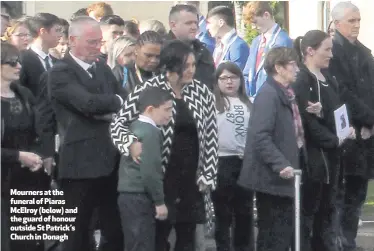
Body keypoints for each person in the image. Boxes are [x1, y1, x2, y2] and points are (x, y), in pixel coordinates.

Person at [110, 40, 218, 251]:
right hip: (161, 175)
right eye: (185, 66)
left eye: (193, 65)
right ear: (170, 66)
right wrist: (130, 144)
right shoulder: (149, 89)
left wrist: (209, 172)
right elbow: (118, 123)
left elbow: (212, 133)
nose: (191, 70)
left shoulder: (201, 91)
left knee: (187, 236)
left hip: (191, 177)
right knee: (159, 236)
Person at [47, 16, 125, 251]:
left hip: (111, 161)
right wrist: (113, 103)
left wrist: (111, 105)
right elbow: (87, 104)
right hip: (79, 165)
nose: (98, 48)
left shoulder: (101, 67)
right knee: (77, 231)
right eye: (92, 42)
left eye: (100, 42)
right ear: (72, 40)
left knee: (115, 227)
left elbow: (126, 97)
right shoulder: (60, 72)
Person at [292, 30, 356, 251]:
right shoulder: (302, 80)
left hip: (333, 157)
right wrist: (333, 139)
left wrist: (346, 129)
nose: (331, 55)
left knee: (328, 211)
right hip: (315, 158)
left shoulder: (328, 78)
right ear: (310, 51)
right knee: (311, 212)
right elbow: (307, 123)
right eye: (327, 49)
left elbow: (335, 111)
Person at [238, 47, 303, 251]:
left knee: (282, 233)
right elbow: (260, 135)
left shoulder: (286, 93)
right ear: (278, 68)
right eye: (292, 64)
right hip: (272, 179)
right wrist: (280, 164)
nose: (297, 69)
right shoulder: (268, 95)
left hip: (284, 177)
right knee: (274, 235)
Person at [328, 2, 374, 251]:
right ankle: (339, 242)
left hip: (367, 134)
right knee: (342, 193)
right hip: (347, 134)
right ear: (337, 24)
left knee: (358, 193)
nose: (357, 25)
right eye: (351, 20)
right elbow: (343, 93)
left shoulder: (364, 53)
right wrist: (368, 119)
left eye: (358, 20)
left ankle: (349, 241)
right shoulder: (333, 53)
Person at [1, 42, 44, 251]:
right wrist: (18, 156)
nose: (19, 66)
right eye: (12, 62)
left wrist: (37, 155)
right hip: (2, 182)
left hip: (27, 179)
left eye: (18, 61)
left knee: (29, 242)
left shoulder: (24, 94)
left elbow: (38, 132)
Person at [118, 87, 173, 251]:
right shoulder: (150, 132)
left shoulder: (134, 126)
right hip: (140, 196)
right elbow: (150, 171)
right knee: (142, 244)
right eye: (167, 110)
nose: (170, 114)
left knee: (133, 243)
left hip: (128, 196)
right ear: (150, 109)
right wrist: (159, 201)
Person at [212, 61, 254, 251]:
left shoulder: (248, 103)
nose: (229, 82)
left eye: (233, 77)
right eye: (224, 78)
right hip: (222, 162)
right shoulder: (213, 103)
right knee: (223, 213)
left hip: (244, 162)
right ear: (217, 81)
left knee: (244, 212)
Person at [242, 1, 293, 97]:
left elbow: (282, 76)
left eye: (255, 22)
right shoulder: (256, 42)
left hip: (272, 98)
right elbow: (247, 72)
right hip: (253, 98)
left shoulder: (282, 41)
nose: (253, 27)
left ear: (266, 15)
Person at [167, 4, 215, 90]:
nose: (194, 27)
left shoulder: (203, 52)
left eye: (196, 23)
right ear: (173, 25)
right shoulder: (161, 51)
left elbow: (212, 85)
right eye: (188, 23)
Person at [19, 13, 62, 97]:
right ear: (43, 31)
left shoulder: (58, 62)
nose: (60, 35)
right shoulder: (22, 60)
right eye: (57, 30)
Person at [207, 6, 249, 70]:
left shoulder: (238, 46)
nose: (207, 27)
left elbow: (237, 75)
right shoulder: (219, 46)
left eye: (209, 23)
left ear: (221, 22)